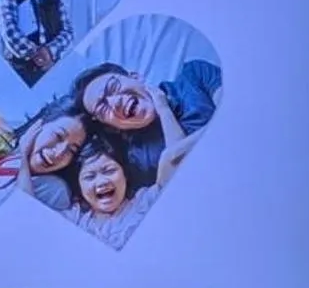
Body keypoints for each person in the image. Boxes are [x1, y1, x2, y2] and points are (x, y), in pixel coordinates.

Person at [73, 54, 223, 190]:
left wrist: (171, 156)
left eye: (113, 87)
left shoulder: (194, 74)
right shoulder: (139, 161)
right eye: (103, 108)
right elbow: (187, 180)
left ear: (136, 77)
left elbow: (234, 110)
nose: (115, 102)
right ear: (111, 127)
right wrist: (164, 110)